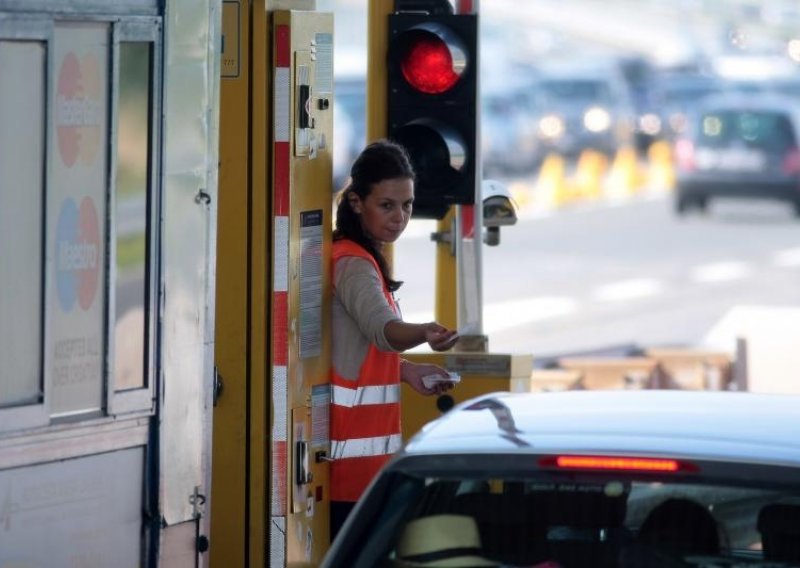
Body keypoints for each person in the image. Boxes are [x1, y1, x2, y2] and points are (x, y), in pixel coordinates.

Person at [330, 140, 459, 540]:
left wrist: (404, 372)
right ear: (355, 202)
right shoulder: (353, 264)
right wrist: (423, 333)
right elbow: (383, 330)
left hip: (362, 469)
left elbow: (356, 347)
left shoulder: (360, 258)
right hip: (349, 472)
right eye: (386, 205)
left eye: (406, 205)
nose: (400, 217)